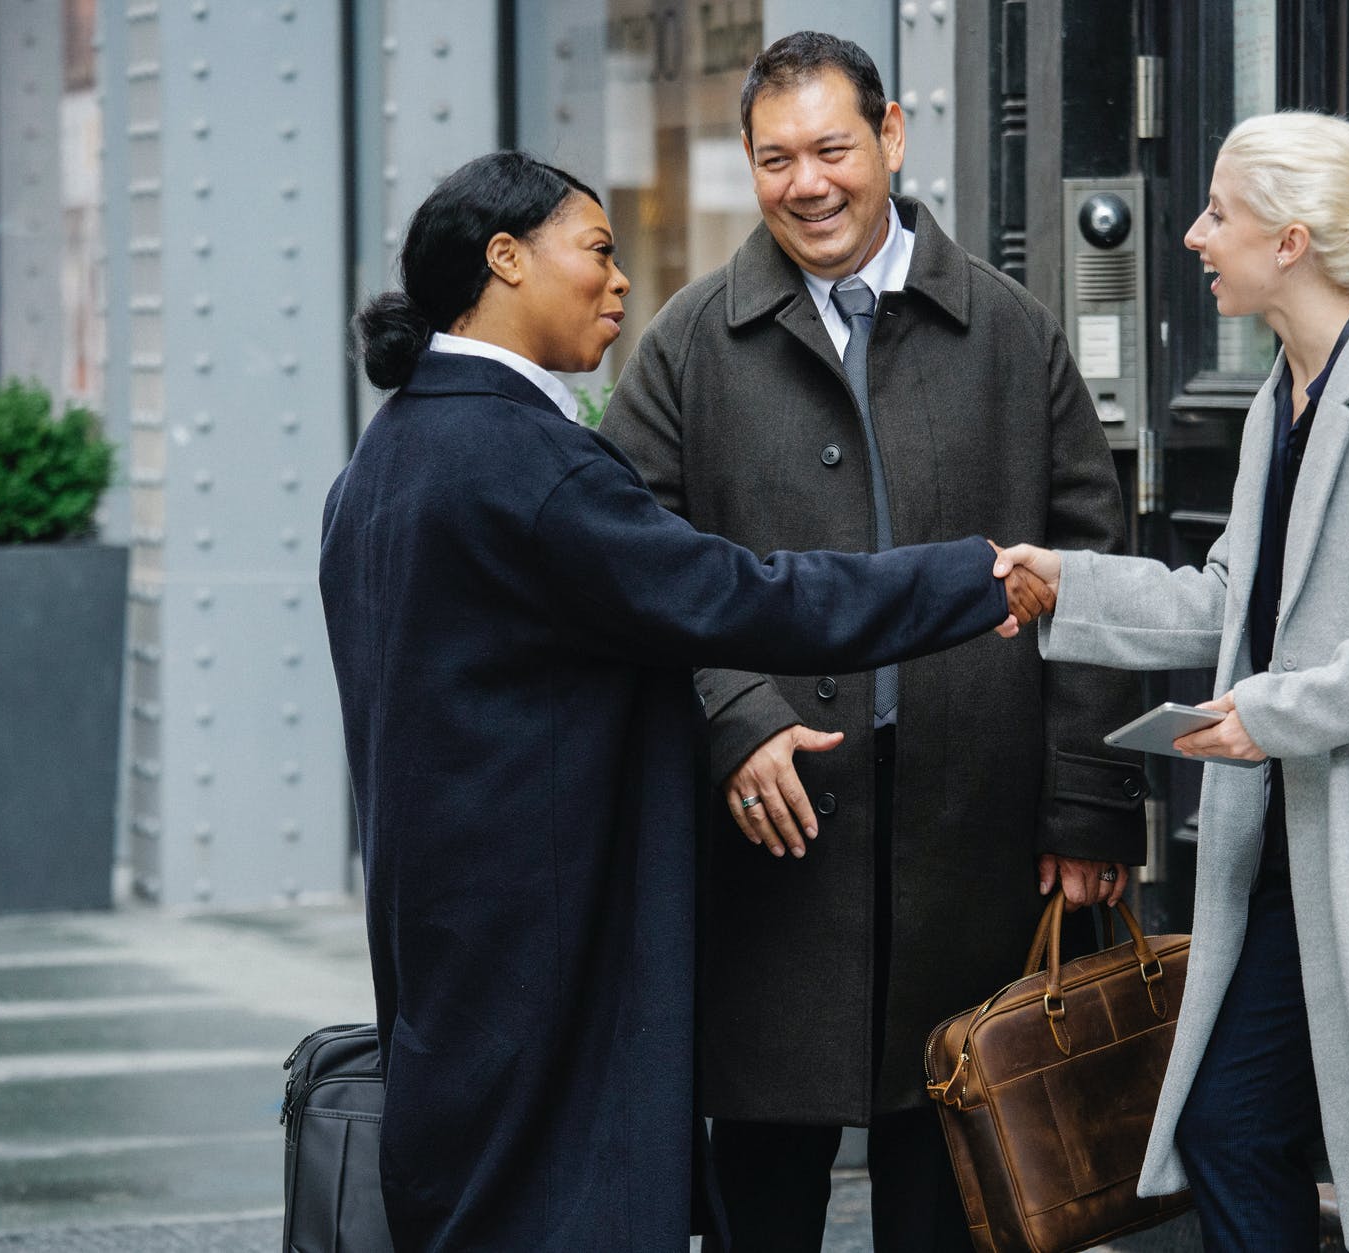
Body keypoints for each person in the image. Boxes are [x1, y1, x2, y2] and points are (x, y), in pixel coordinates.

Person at [319, 151, 1052, 1252]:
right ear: (505, 260)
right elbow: (734, 596)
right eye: (598, 250)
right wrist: (963, 575)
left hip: (448, 941)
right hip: (553, 943)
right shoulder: (524, 464)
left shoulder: (386, 456)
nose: (620, 283)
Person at [599, 31, 1146, 1252]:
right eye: (775, 157)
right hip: (768, 852)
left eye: (832, 148)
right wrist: (732, 716)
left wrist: (1089, 807)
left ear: (891, 137)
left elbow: (1091, 571)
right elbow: (627, 569)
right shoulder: (689, 344)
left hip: (978, 832)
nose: (807, 183)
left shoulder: (1011, 331)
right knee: (761, 1204)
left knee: (953, 1196)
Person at [995, 112, 1349, 1251]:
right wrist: (1068, 584)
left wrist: (1273, 715)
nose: (1193, 237)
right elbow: (1232, 600)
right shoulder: (1286, 394)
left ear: (1291, 240)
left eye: (1219, 212)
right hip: (1289, 853)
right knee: (1231, 1129)